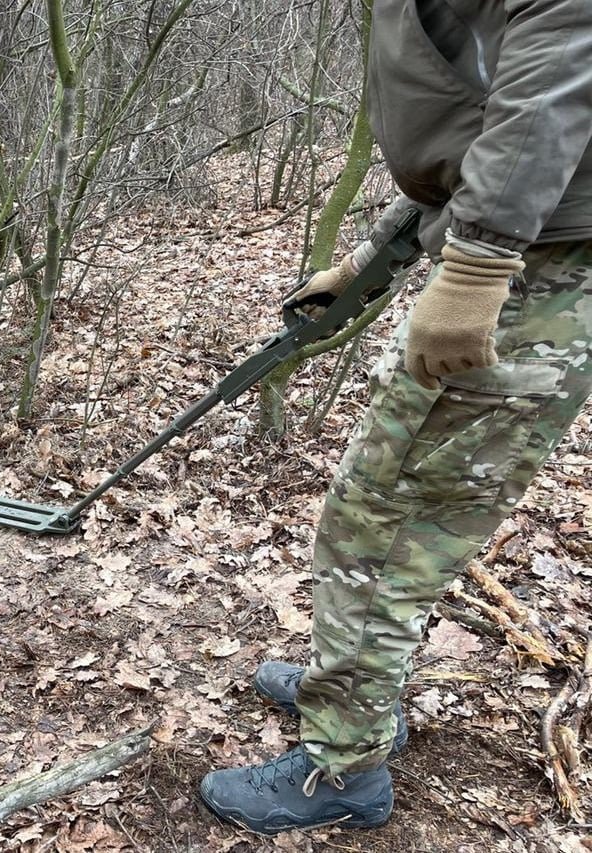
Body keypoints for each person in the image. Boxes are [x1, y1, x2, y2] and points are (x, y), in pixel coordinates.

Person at [200, 0, 592, 835]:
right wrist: (372, 255)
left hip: (536, 268)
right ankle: (350, 688)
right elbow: (468, 133)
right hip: (526, 246)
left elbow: (557, 63)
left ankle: (343, 763)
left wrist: (482, 255)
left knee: (383, 522)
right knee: (384, 511)